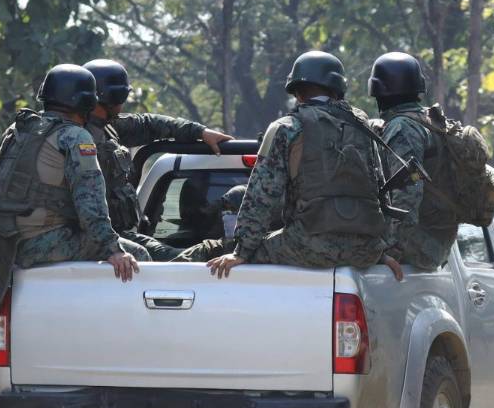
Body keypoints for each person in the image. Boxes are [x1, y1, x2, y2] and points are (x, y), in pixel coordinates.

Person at [206, 51, 403, 280]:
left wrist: (241, 251)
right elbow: (379, 189)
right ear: (337, 88)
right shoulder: (363, 126)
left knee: (228, 253)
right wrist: (379, 251)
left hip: (308, 247)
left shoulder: (287, 127)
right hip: (364, 250)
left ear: (297, 92)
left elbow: (261, 195)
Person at [0, 64, 147, 309]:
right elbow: (91, 205)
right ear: (86, 103)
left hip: (6, 241)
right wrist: (113, 249)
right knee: (138, 255)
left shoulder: (19, 130)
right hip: (38, 243)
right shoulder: (75, 137)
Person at [81, 59, 233, 260]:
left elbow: (148, 124)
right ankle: (220, 248)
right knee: (160, 259)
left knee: (175, 259)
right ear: (112, 96)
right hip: (99, 238)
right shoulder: (78, 138)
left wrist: (200, 132)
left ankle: (222, 249)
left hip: (117, 234)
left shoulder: (108, 128)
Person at [369, 52, 457, 271]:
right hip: (435, 244)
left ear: (379, 92)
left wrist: (390, 252)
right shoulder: (431, 122)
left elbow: (406, 198)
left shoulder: (403, 129)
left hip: (416, 246)